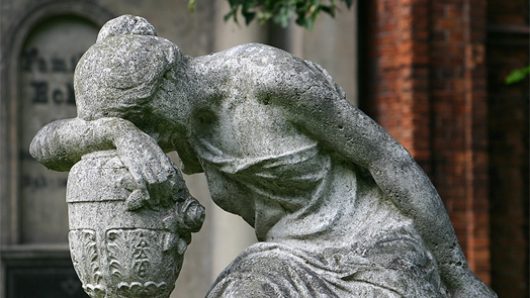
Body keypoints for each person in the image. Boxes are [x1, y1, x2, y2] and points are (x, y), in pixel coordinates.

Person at [30, 15, 495, 297]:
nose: (151, 136)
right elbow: (46, 144)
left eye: (145, 121)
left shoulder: (267, 81)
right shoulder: (177, 119)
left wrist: (456, 275)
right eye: (141, 127)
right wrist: (118, 133)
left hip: (373, 252)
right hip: (285, 263)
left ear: (169, 85)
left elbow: (387, 159)